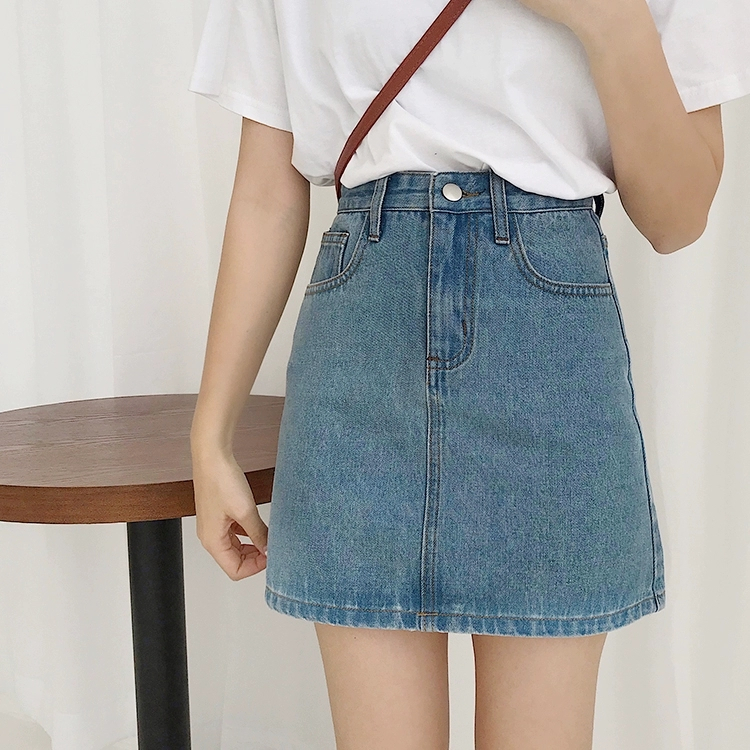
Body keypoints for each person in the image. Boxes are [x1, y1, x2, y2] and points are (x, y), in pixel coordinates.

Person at [187, 1, 748, 747]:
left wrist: (611, 21)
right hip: (362, 337)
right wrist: (210, 436)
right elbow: (266, 193)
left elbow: (678, 218)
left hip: (550, 347)